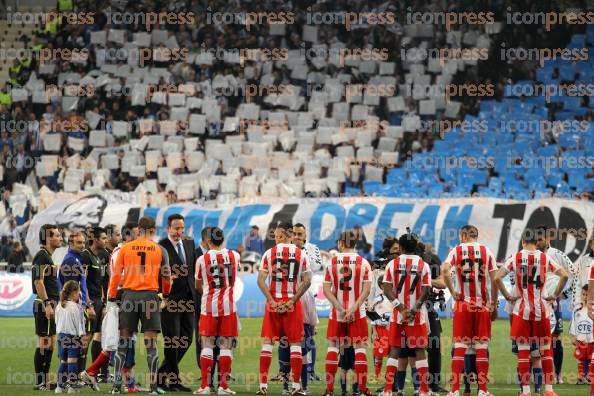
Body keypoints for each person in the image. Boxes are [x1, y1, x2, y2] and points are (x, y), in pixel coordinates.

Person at [493, 228, 569, 396]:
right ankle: (549, 390)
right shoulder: (544, 257)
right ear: (537, 243)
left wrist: (507, 295)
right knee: (546, 349)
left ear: (522, 242)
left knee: (523, 350)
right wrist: (554, 295)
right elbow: (564, 275)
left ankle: (525, 391)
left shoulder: (516, 257)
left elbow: (497, 277)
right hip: (541, 309)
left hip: (522, 310)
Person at [107, 216, 172, 395]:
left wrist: (112, 295)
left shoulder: (125, 248)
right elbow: (166, 276)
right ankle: (152, 387)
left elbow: (116, 275)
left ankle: (116, 387)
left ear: (139, 229)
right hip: (150, 296)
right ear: (152, 230)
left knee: (123, 341)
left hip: (129, 296)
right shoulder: (160, 249)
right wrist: (165, 294)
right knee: (151, 344)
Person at [81, 223, 139, 392]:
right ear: (127, 236)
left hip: (124, 300)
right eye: (136, 234)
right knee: (122, 341)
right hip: (120, 301)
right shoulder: (119, 253)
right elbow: (118, 278)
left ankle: (92, 372)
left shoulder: (126, 251)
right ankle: (127, 384)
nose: (139, 237)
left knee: (119, 341)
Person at [440, 225, 498, 396]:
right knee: (481, 346)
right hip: (482, 306)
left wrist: (452, 292)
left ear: (464, 235)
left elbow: (444, 270)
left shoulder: (457, 250)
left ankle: (455, 390)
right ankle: (483, 390)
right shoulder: (486, 251)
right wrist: (493, 303)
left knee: (460, 346)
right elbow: (495, 280)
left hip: (462, 305)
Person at [256, 222, 312, 396]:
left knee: (267, 342)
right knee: (295, 343)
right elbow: (307, 280)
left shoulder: (268, 253)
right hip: (292, 304)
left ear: (284, 235)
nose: (276, 239)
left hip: (273, 303)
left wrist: (272, 301)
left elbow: (260, 280)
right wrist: (293, 300)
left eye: (278, 236)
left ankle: (263, 385)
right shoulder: (301, 254)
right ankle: (296, 385)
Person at [380, 233, 433, 396]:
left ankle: (388, 390)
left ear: (401, 248)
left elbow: (387, 289)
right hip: (417, 316)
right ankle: (424, 390)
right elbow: (426, 290)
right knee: (419, 351)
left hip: (398, 315)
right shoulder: (423, 265)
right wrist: (414, 309)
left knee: (395, 350)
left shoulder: (392, 264)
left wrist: (401, 308)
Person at [322, 230, 373, 396]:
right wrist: (353, 308)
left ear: (340, 244)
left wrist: (340, 307)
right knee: (360, 349)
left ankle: (329, 390)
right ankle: (363, 389)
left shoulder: (332, 262)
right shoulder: (363, 263)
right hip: (357, 313)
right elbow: (366, 290)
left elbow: (326, 289)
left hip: (337, 313)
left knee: (333, 348)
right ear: (355, 244)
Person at [193, 227, 240, 395]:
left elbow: (198, 285)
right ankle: (223, 387)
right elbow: (234, 278)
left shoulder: (201, 259)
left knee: (207, 345)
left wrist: (207, 291)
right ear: (223, 239)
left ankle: (205, 386)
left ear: (208, 242)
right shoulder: (235, 256)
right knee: (226, 346)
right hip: (229, 307)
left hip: (208, 307)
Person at [157, 214, 198, 392]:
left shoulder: (189, 243)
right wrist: (161, 294)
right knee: (172, 341)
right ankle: (173, 381)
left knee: (186, 340)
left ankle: (160, 376)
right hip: (170, 301)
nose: (179, 232)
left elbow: (194, 270)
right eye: (176, 228)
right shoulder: (160, 247)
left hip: (189, 300)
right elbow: (153, 273)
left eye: (182, 228)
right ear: (168, 228)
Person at [58, 231, 96, 376]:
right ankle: (70, 381)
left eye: (83, 242)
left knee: (72, 352)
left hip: (75, 309)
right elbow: (72, 290)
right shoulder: (71, 261)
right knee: (72, 352)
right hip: (74, 311)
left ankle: (67, 382)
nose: (83, 246)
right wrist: (87, 308)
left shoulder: (76, 259)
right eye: (79, 243)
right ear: (70, 244)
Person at [32, 224, 63, 391]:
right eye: (57, 235)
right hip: (45, 304)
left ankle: (44, 380)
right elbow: (38, 281)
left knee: (50, 343)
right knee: (44, 343)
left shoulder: (47, 257)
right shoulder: (42, 257)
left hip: (50, 303)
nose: (60, 238)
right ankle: (39, 382)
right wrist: (47, 304)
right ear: (48, 238)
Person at [81, 227, 109, 375]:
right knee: (86, 338)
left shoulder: (97, 257)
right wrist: (88, 303)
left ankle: (92, 372)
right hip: (90, 303)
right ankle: (78, 373)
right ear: (96, 239)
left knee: (96, 335)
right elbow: (82, 281)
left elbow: (100, 280)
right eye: (103, 238)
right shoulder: (86, 256)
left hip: (99, 301)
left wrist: (103, 298)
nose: (106, 241)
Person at [55, 280, 86, 393]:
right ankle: (72, 387)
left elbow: (56, 322)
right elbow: (80, 325)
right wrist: (82, 338)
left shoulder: (59, 305)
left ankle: (59, 386)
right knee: (72, 361)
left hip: (61, 336)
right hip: (73, 337)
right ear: (73, 293)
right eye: (78, 292)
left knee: (63, 362)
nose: (79, 294)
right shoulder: (76, 307)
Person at [569, 285, 593, 386]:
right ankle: (581, 377)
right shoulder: (577, 309)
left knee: (590, 359)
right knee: (581, 358)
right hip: (581, 339)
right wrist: (574, 336)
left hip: (591, 340)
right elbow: (574, 323)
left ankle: (589, 376)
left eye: (588, 295)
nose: (585, 296)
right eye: (583, 294)